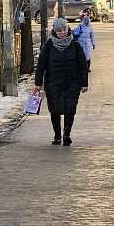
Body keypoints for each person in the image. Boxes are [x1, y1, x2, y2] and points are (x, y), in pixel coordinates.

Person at [34, 17, 90, 146]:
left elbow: (82, 65)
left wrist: (84, 83)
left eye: (64, 29)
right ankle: (57, 135)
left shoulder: (75, 44)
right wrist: (38, 83)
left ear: (67, 29)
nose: (62, 32)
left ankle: (67, 134)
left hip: (72, 83)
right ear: (55, 31)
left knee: (70, 109)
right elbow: (41, 65)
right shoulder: (48, 45)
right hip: (53, 83)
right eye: (59, 30)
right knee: (55, 110)